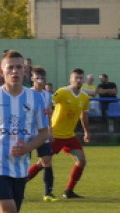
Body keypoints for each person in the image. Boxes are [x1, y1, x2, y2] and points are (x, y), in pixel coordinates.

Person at [0, 50, 50, 213]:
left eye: (19, 67)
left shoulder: (36, 98)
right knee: (9, 212)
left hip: (20, 167)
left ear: (25, 71)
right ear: (2, 71)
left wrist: (28, 148)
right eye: (10, 67)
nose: (15, 71)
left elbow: (43, 132)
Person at [50, 68, 91, 200]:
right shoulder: (62, 92)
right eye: (76, 78)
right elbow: (48, 105)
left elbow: (83, 115)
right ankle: (18, 185)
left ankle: (69, 191)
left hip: (70, 136)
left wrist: (86, 131)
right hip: (55, 134)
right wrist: (47, 127)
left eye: (80, 78)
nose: (78, 81)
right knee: (43, 163)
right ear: (70, 79)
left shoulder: (84, 97)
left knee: (82, 161)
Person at [25, 66, 57, 202]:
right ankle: (16, 190)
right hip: (27, 133)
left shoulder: (47, 95)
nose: (40, 80)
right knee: (22, 163)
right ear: (32, 79)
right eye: (37, 78)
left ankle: (48, 193)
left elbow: (48, 113)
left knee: (47, 161)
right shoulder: (26, 94)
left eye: (42, 78)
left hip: (42, 133)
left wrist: (50, 130)